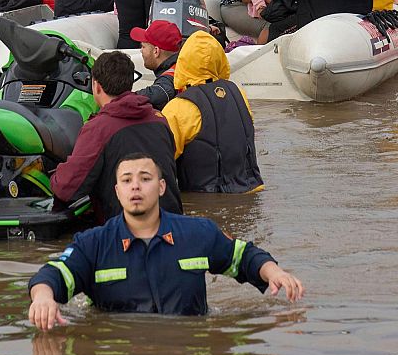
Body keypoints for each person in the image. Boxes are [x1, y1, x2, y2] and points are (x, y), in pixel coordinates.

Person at [29, 151, 301, 327]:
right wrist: (43, 299)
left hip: (187, 343)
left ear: (161, 187)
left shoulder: (197, 233)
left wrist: (274, 271)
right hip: (123, 347)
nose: (135, 186)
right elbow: (53, 274)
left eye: (145, 178)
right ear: (117, 191)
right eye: (126, 180)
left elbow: (243, 257)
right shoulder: (94, 244)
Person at [51, 51, 181, 220]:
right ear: (129, 84)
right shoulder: (160, 119)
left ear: (96, 86)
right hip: (173, 225)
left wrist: (55, 174)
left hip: (127, 230)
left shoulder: (98, 128)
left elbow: (67, 189)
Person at [158, 31, 262, 193]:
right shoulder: (238, 94)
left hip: (204, 198)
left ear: (183, 62)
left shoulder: (178, 107)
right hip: (250, 190)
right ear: (220, 60)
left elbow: (161, 160)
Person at [129, 19, 185, 110]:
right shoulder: (184, 64)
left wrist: (121, 100)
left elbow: (162, 91)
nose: (141, 50)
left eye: (143, 46)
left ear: (156, 51)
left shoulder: (170, 78)